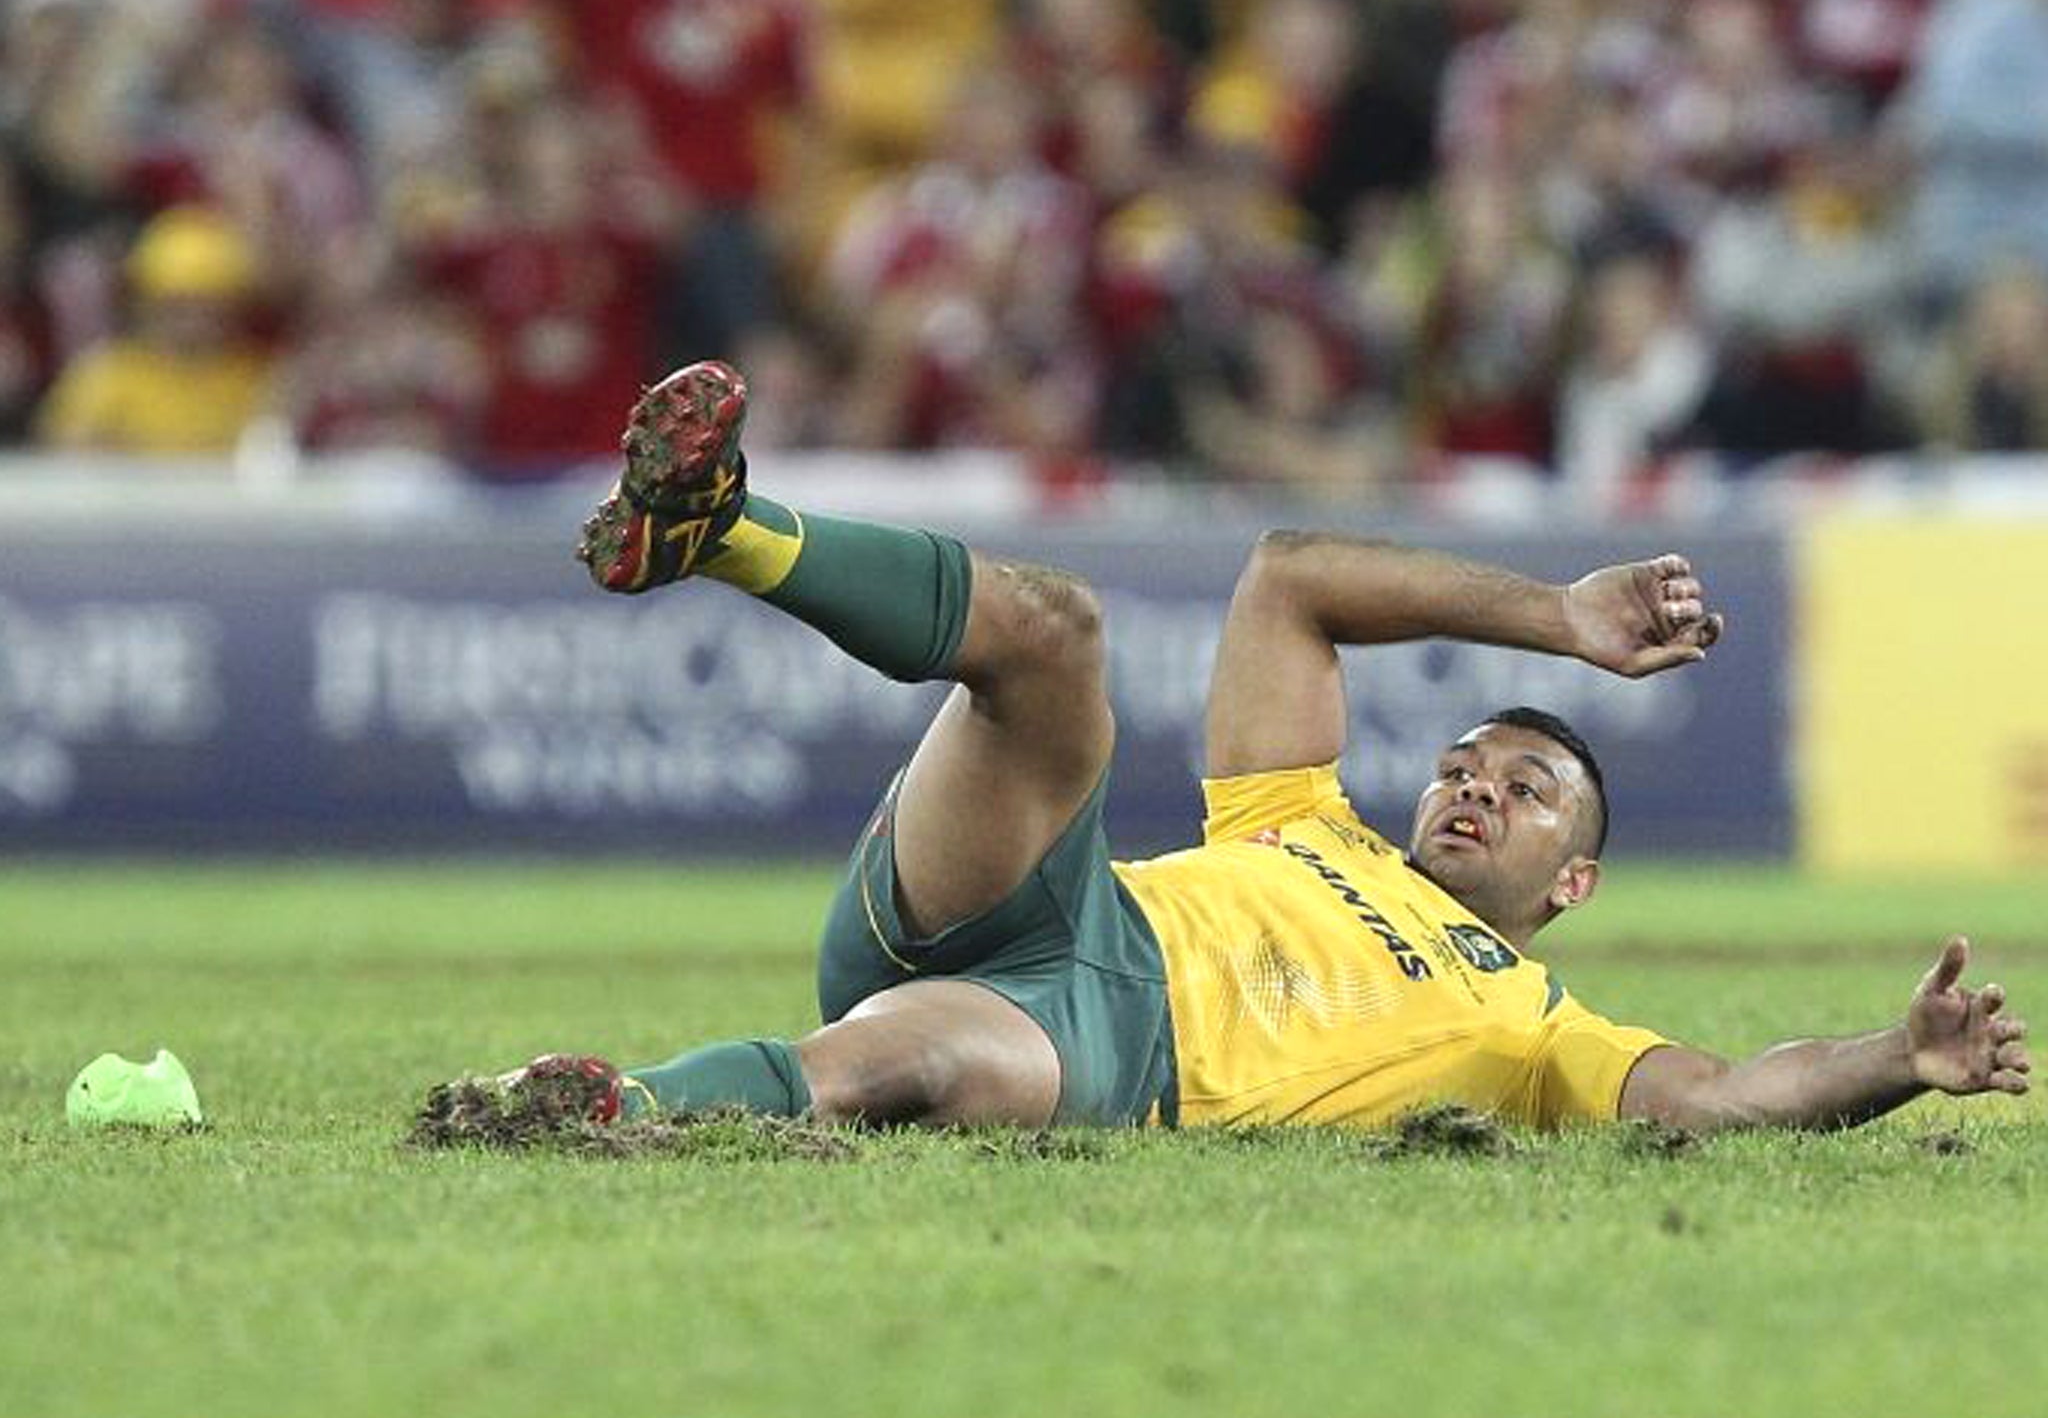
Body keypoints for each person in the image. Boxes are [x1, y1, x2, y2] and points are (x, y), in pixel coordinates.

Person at [482, 359, 2031, 1136]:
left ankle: (587, 1108)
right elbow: (1289, 573)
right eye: (1468, 762)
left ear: (1576, 883)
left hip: (1124, 1056)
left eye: (1533, 785)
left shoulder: (1539, 1023)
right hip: (1058, 909)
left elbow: (1718, 1095)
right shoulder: (1304, 818)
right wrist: (1559, 614)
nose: (1479, 781)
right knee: (1055, 639)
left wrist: (1899, 1059)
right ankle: (722, 527)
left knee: (907, 1059)